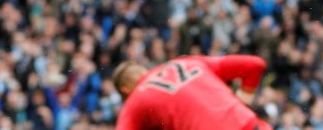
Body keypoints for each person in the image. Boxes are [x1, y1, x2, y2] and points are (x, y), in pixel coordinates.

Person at [112, 55, 269, 130]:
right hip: (249, 124)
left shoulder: (136, 98)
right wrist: (242, 102)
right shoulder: (187, 62)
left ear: (125, 90)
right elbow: (255, 64)